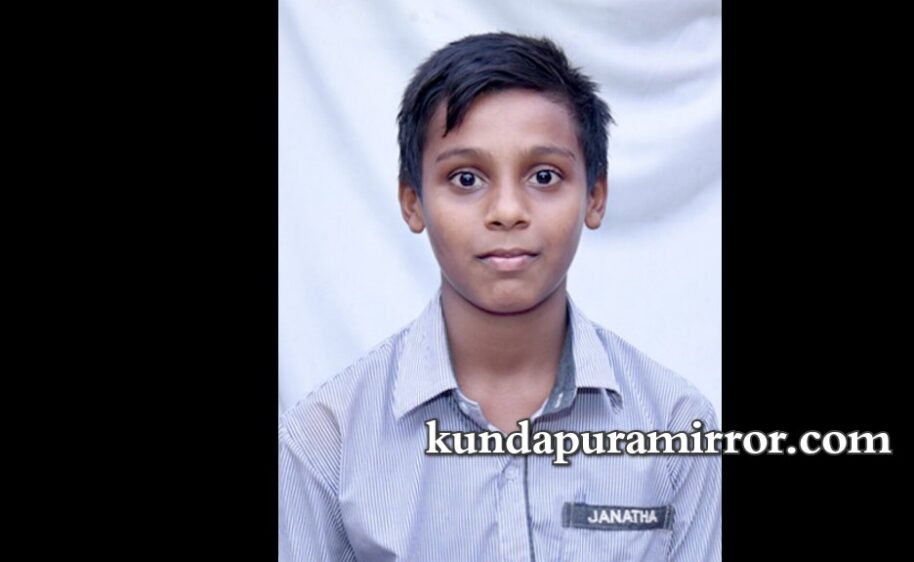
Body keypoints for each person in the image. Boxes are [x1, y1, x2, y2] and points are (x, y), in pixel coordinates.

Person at [279, 32, 720, 562]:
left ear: (595, 196)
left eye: (544, 176)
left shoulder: (675, 427)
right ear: (413, 202)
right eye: (466, 178)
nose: (507, 211)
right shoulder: (326, 442)